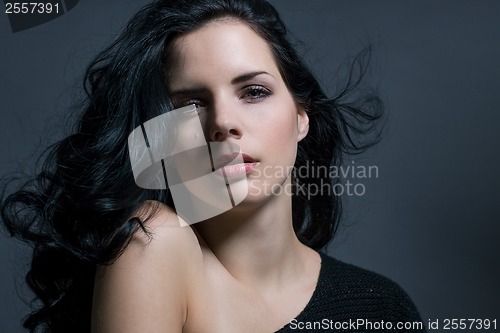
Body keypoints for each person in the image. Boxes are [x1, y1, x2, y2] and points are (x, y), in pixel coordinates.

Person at [1, 0, 425, 332]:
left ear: (301, 117)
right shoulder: (151, 240)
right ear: (161, 137)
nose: (222, 123)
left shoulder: (381, 306)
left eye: (254, 92)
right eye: (190, 104)